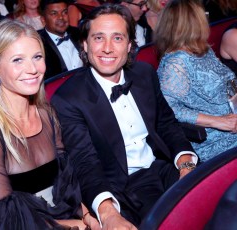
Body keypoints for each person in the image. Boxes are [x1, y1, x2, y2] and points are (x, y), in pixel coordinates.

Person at [51, 3, 196, 229]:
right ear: (85, 44)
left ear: (129, 45)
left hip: (166, 166)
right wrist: (107, 213)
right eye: (98, 38)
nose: (107, 48)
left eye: (117, 38)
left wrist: (187, 166)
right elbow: (85, 163)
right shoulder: (68, 99)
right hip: (124, 186)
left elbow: (167, 124)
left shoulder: (144, 74)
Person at [0, 19, 100, 229]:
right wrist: (72, 225)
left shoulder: (47, 114)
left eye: (37, 57)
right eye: (18, 60)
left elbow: (67, 186)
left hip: (64, 217)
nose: (32, 69)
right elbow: (9, 218)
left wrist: (88, 216)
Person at [155, 0, 237, 162]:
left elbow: (227, 85)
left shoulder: (203, 50)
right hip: (217, 139)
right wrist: (218, 122)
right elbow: (169, 110)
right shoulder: (176, 63)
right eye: (202, 17)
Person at [38, 0, 83, 80]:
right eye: (54, 13)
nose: (61, 17)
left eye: (64, 12)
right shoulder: (38, 43)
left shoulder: (80, 33)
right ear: (43, 20)